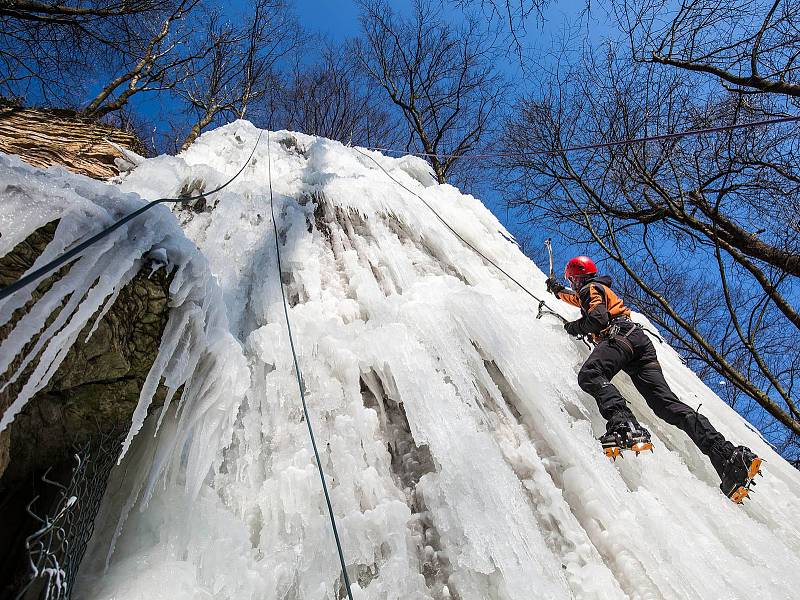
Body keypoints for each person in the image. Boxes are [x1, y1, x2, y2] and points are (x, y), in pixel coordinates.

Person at [546, 255, 762, 503]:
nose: (571, 285)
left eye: (571, 280)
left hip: (621, 337)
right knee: (666, 405)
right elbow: (578, 301)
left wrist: (574, 327)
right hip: (640, 345)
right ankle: (728, 456)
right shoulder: (595, 288)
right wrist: (557, 290)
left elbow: (597, 318)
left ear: (577, 277)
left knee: (591, 374)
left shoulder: (590, 288)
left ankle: (623, 423)